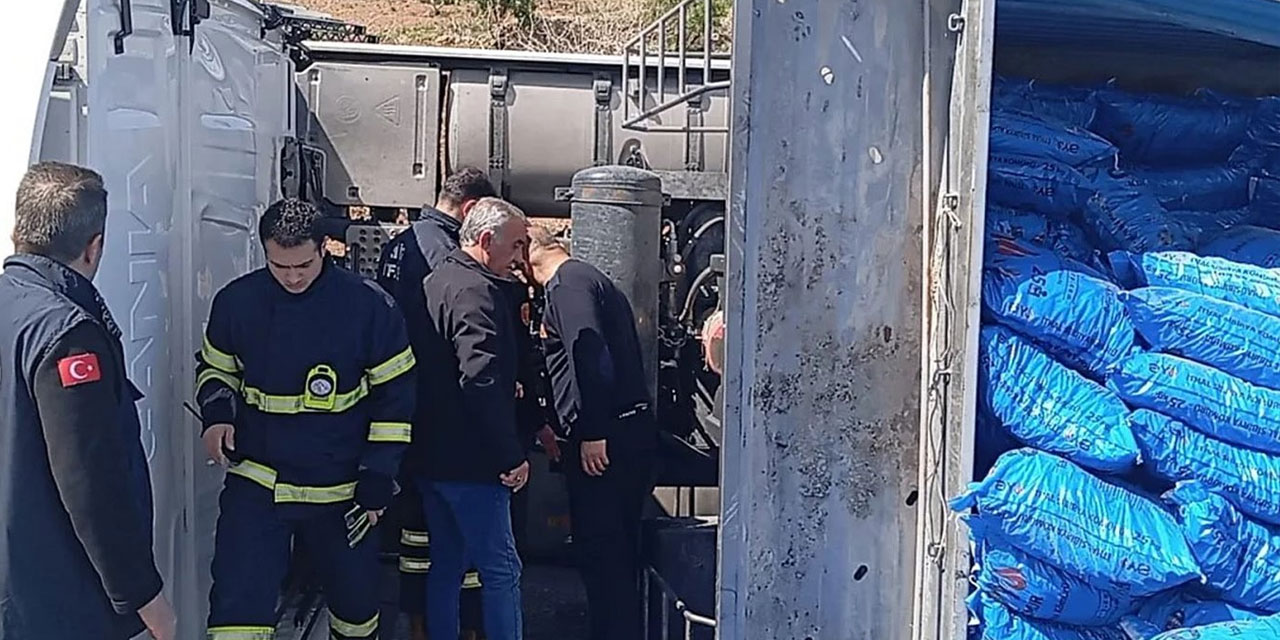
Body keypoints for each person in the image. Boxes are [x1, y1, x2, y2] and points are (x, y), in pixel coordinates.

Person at [196, 198, 416, 640]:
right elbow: (216, 369)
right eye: (280, 266)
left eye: (303, 265)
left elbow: (396, 398)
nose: (293, 277)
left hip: (343, 491)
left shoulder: (369, 306)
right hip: (260, 481)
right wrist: (217, 416)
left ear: (324, 248)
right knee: (236, 614)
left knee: (356, 614)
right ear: (264, 251)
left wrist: (379, 475)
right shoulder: (237, 302)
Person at [0, 162, 176, 640]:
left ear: (17, 231)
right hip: (58, 599)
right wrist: (144, 596)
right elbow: (90, 482)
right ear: (94, 246)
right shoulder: (67, 334)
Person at [376, 167, 497, 640]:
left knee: (416, 533)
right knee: (454, 538)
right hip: (438, 411)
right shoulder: (445, 253)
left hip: (402, 405)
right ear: (471, 209)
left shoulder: (398, 244)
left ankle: (420, 624)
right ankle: (462, 628)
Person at [526, 224, 658, 640]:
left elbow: (590, 352)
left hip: (608, 437)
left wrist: (592, 431)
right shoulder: (586, 279)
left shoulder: (568, 286)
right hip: (626, 429)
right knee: (616, 549)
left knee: (603, 551)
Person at [419, 197, 531, 640]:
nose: (520, 257)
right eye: (516, 244)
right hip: (474, 461)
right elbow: (479, 376)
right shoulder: (476, 292)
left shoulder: (437, 279)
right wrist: (510, 454)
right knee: (502, 570)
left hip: (432, 454)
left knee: (447, 563)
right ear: (486, 240)